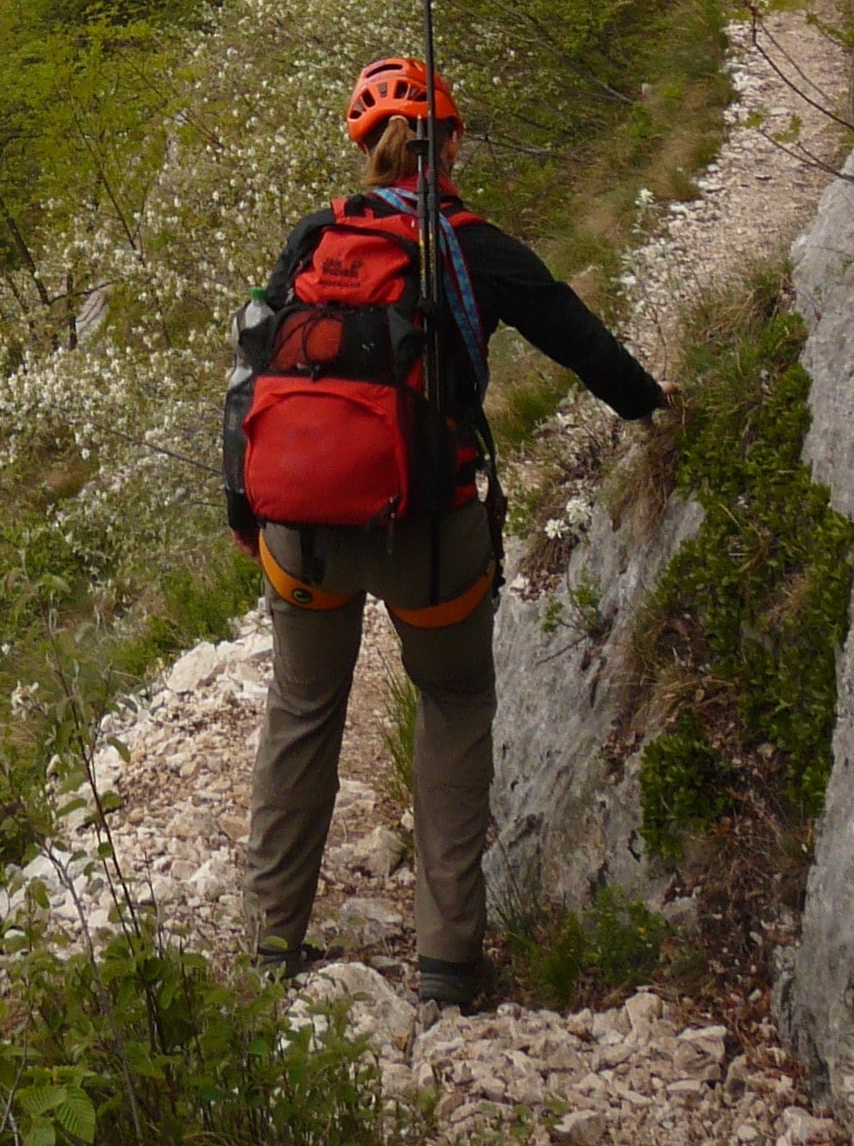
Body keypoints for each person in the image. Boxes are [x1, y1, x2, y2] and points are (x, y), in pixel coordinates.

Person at [222, 51, 669, 1008]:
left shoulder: (312, 239)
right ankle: (448, 964)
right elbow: (588, 347)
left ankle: (269, 947)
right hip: (429, 532)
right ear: (453, 141)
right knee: (455, 703)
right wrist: (657, 408)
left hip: (301, 529)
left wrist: (241, 506)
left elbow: (252, 367)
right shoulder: (477, 245)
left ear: (364, 151)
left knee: (304, 707)